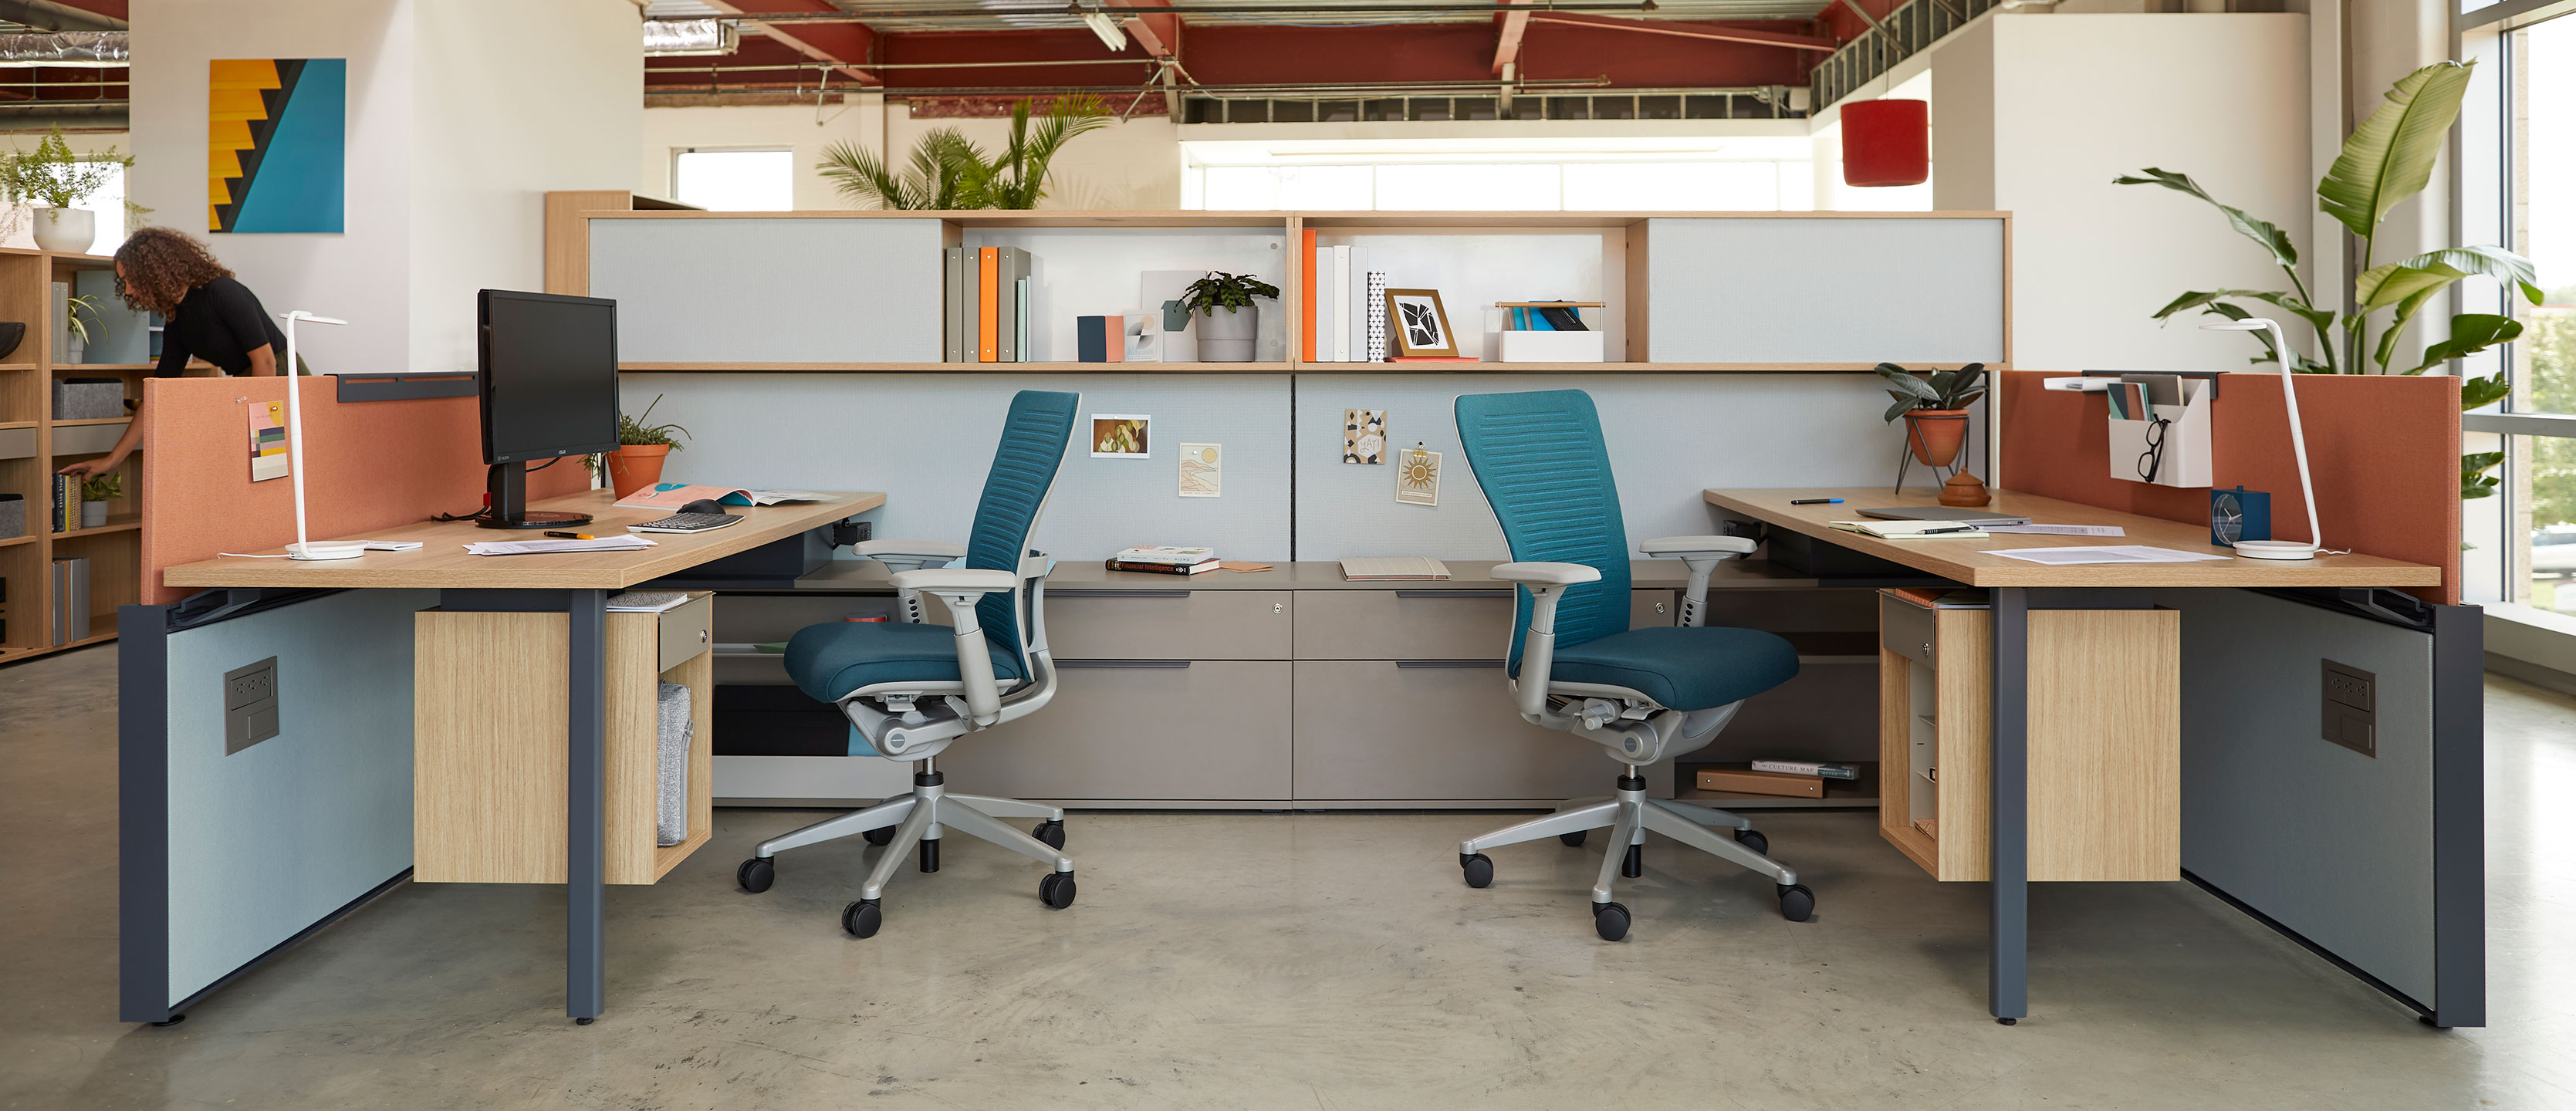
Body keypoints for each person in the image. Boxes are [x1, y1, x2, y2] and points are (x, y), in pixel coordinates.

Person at [56, 228, 294, 480]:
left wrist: (261, 433)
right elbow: (157, 396)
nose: (127, 291)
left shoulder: (222, 292)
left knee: (276, 479)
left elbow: (266, 363)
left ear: (154, 273)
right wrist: (111, 460)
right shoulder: (178, 322)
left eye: (131, 280)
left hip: (283, 379)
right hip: (251, 386)